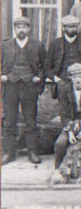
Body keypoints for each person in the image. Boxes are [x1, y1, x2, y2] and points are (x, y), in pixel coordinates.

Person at [1, 16, 47, 164]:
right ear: (15, 29)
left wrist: (38, 78)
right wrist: (2, 75)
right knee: (9, 121)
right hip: (11, 86)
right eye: (18, 27)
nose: (21, 30)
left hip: (29, 87)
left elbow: (44, 66)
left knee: (30, 121)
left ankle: (32, 152)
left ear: (29, 29)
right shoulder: (5, 46)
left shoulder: (37, 45)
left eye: (24, 27)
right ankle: (8, 153)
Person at [47, 15, 81, 92]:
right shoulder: (55, 44)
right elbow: (47, 66)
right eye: (69, 27)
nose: (72, 29)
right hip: (63, 80)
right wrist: (56, 78)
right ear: (63, 28)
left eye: (74, 27)